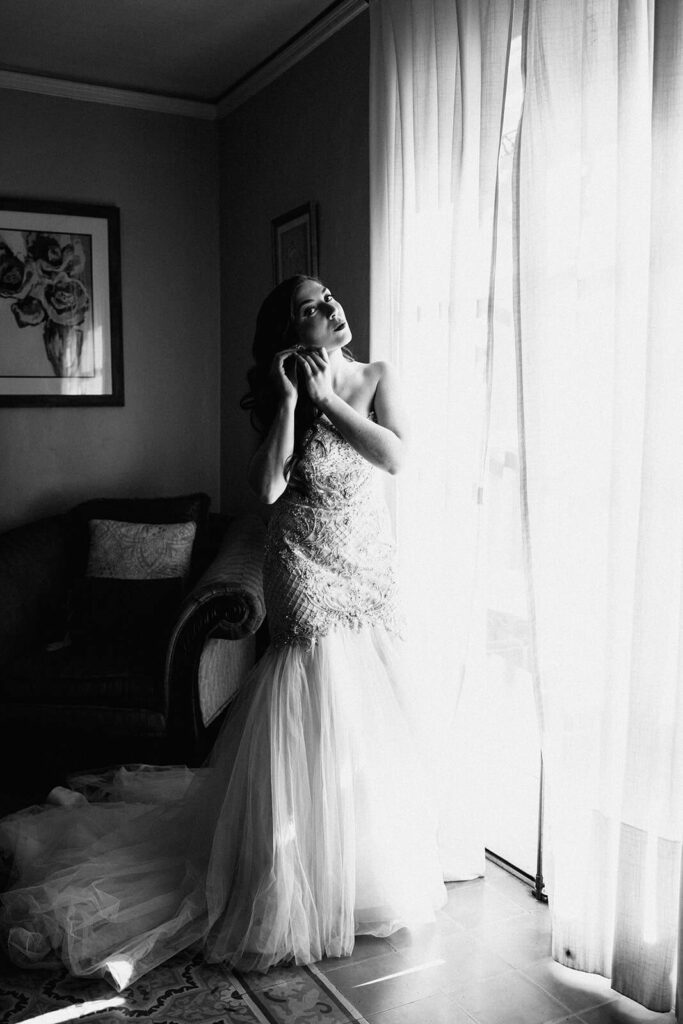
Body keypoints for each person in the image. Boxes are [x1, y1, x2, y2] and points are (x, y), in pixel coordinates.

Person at [0, 275, 446, 991]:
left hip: (366, 562)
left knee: (366, 715)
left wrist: (331, 399)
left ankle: (355, 865)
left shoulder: (377, 376)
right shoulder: (282, 394)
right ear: (289, 335)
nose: (331, 308)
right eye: (309, 308)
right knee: (308, 710)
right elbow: (265, 490)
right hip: (301, 560)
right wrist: (297, 403)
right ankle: (287, 872)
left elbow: (394, 457)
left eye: (327, 296)